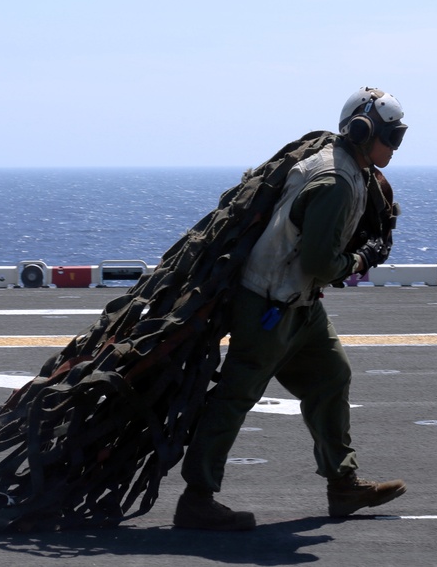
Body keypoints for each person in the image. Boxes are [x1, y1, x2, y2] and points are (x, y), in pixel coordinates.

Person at [173, 87, 409, 531]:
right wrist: (361, 259)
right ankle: (197, 500)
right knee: (236, 396)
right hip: (270, 304)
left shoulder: (346, 166)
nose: (396, 146)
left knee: (332, 376)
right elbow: (319, 263)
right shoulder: (337, 182)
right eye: (392, 137)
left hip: (298, 303)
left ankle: (343, 484)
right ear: (363, 132)